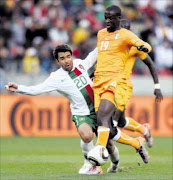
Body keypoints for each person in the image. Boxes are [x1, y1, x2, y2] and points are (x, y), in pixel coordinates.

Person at [5, 44, 105, 175]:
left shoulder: (80, 64)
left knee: (110, 143)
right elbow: (38, 89)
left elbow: (92, 56)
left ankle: (115, 164)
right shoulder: (56, 78)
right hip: (81, 113)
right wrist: (19, 88)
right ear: (58, 61)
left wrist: (104, 41)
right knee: (87, 136)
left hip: (98, 108)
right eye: (62, 58)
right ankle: (90, 164)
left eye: (68, 57)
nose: (67, 60)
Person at [91, 5, 152, 165]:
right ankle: (137, 143)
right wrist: (94, 72)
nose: (108, 21)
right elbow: (103, 56)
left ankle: (98, 151)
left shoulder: (125, 35)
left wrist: (143, 46)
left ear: (119, 18)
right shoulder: (101, 34)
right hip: (98, 81)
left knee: (104, 116)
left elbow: (144, 45)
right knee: (107, 128)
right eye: (106, 18)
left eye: (111, 18)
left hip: (115, 82)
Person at [106, 19, 163, 173]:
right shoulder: (112, 44)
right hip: (110, 85)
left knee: (113, 122)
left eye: (126, 30)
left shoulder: (135, 47)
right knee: (122, 122)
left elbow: (150, 64)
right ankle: (144, 131)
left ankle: (108, 156)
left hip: (123, 87)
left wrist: (157, 86)